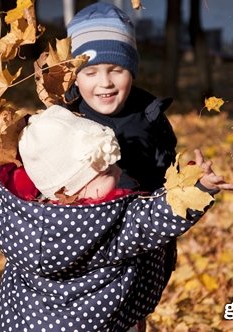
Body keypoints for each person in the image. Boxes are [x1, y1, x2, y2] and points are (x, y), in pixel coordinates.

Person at [0, 105, 233, 332]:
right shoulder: (103, 222)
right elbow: (154, 218)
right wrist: (197, 187)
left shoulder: (24, 216)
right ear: (71, 189)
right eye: (108, 170)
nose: (119, 171)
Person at [64, 2, 179, 305]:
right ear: (75, 76)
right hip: (81, 270)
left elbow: (166, 182)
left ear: (132, 70)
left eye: (116, 69)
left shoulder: (152, 118)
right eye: (90, 71)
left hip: (140, 260)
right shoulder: (63, 121)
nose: (105, 82)